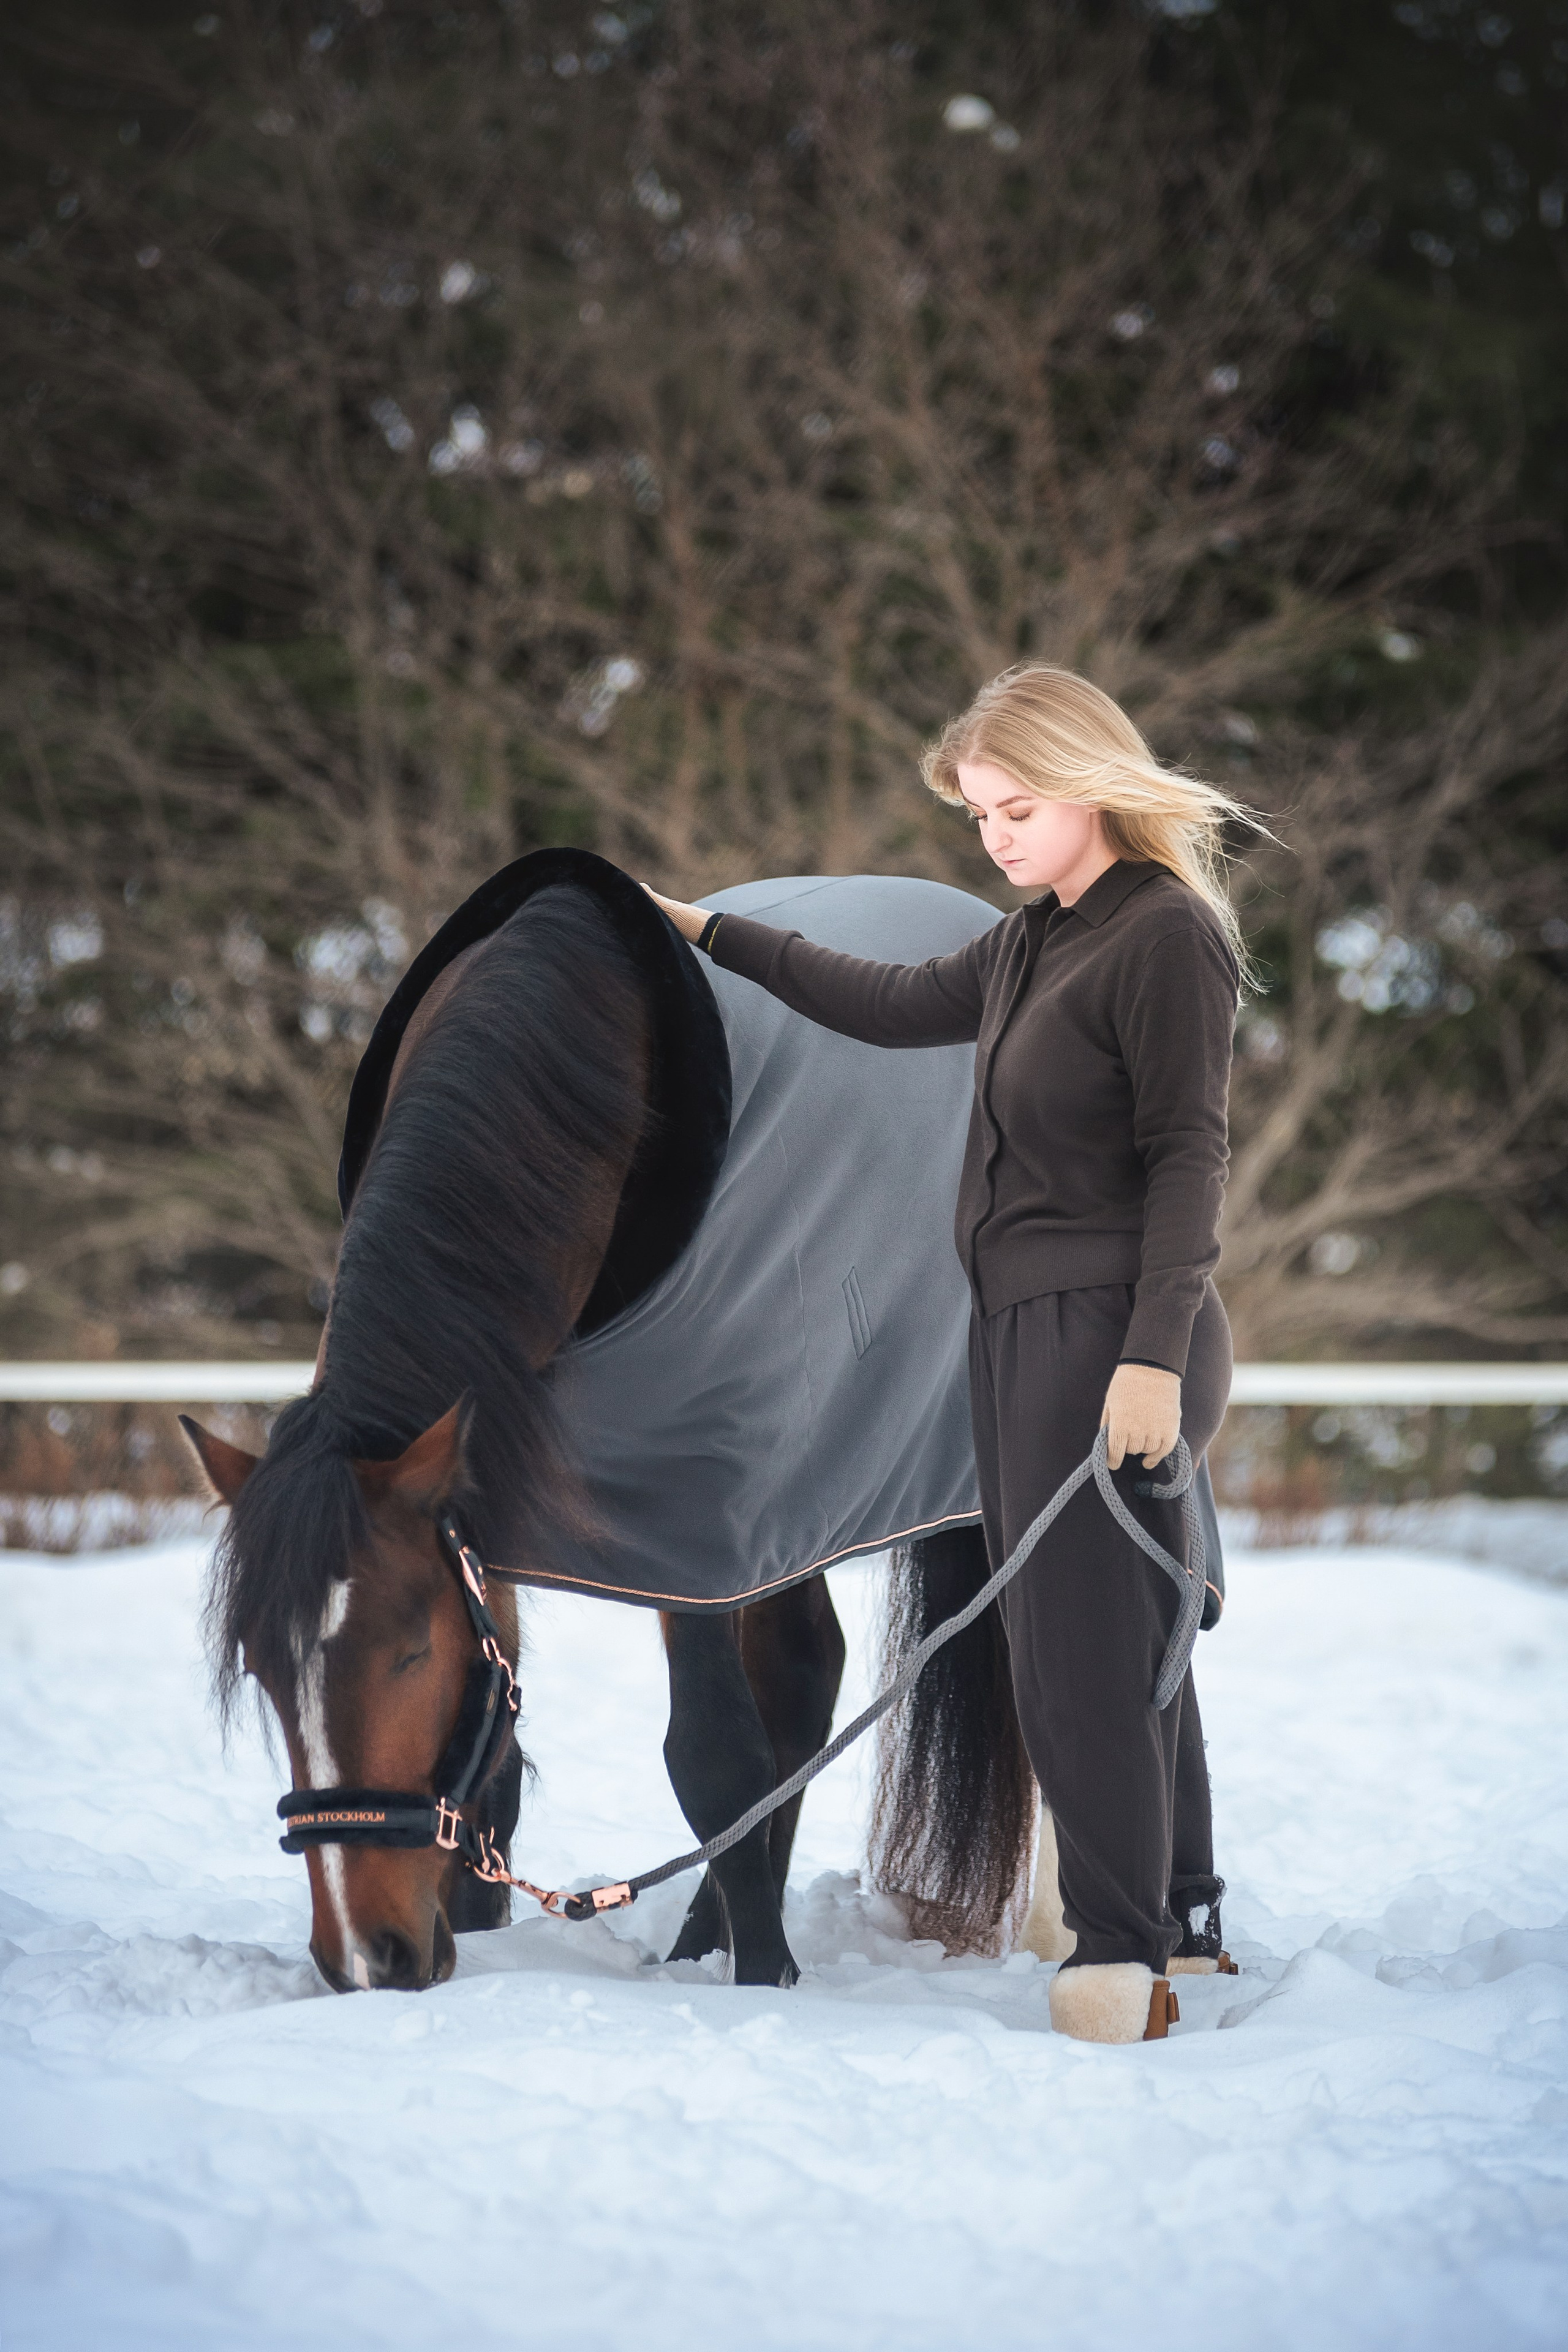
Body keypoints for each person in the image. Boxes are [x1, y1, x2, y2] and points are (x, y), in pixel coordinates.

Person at [649, 662, 1257, 2045]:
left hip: (1112, 1328)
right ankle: (1186, 1915)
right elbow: (878, 999)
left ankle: (1118, 1952)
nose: (992, 835)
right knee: (1130, 1623)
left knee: (1078, 1649)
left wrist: (1151, 1355)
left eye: (1015, 805)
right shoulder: (1036, 936)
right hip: (1015, 1326)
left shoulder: (1162, 937)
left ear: (1091, 785)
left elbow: (1187, 1158)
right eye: (978, 812)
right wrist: (707, 934)